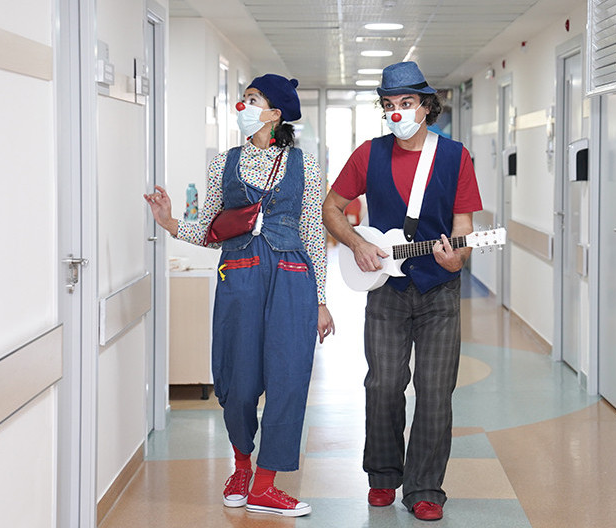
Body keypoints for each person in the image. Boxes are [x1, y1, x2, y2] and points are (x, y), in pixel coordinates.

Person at [145, 74, 334, 518]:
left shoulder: (305, 166)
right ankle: (241, 468)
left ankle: (265, 485)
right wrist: (170, 223)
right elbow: (213, 230)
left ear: (275, 113)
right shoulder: (223, 165)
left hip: (292, 279)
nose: (242, 106)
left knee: (288, 378)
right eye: (243, 98)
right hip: (240, 277)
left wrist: (320, 300)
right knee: (238, 378)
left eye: (252, 99)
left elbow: (312, 234)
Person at [322, 61, 482, 522]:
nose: (397, 112)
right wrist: (357, 244)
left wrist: (457, 258)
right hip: (385, 288)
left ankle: (425, 488)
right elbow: (332, 207)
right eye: (389, 104)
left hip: (439, 290)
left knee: (435, 390)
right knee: (383, 384)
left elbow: (464, 226)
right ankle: (383, 474)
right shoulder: (368, 155)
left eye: (407, 102)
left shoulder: (454, 157)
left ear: (426, 106)